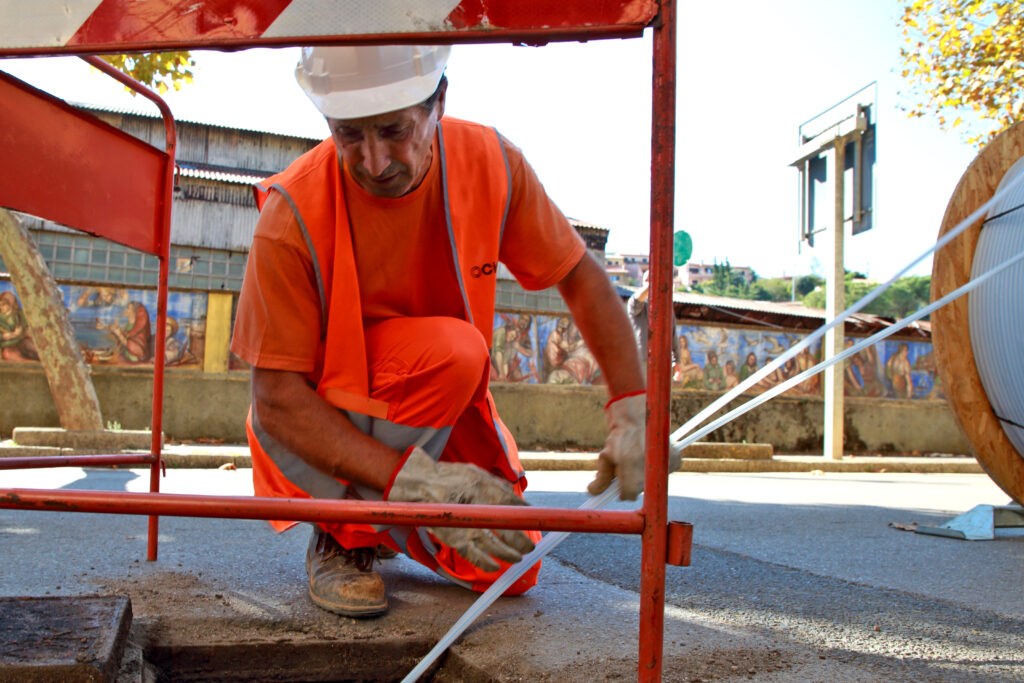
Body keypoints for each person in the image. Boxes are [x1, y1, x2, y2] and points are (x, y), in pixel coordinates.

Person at [230, 45, 651, 619]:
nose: (374, 161)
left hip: (435, 404)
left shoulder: (492, 164)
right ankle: (346, 532)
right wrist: (415, 485)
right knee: (455, 352)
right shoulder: (292, 213)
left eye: (394, 130)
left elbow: (579, 275)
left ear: (439, 102)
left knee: (510, 564)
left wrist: (632, 407)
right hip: (317, 425)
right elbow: (276, 399)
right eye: (349, 135)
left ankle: (385, 521)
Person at [628, 269, 680, 381]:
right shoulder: (634, 303)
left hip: (661, 361)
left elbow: (673, 335)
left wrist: (676, 362)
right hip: (640, 360)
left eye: (653, 280)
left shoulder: (666, 307)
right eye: (647, 280)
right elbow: (638, 299)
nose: (650, 283)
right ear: (642, 283)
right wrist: (654, 283)